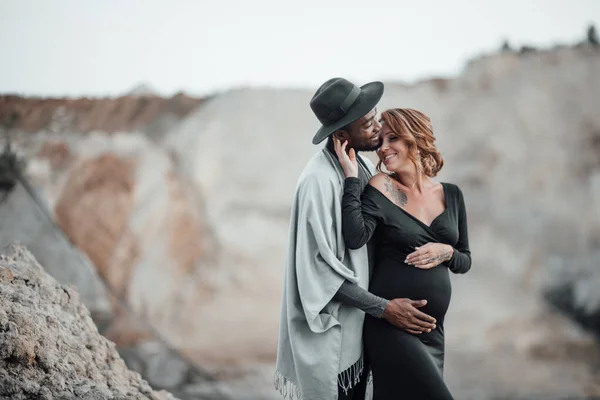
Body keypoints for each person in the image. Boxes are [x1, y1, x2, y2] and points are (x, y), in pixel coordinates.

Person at [274, 78, 437, 400]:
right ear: (341, 135)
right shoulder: (318, 182)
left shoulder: (357, 164)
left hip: (365, 326)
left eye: (375, 117)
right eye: (368, 125)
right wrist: (384, 308)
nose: (378, 128)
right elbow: (318, 275)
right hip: (335, 336)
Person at [333, 108, 472, 399]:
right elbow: (355, 237)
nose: (383, 149)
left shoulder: (452, 195)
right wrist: (351, 177)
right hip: (391, 324)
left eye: (392, 138)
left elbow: (464, 260)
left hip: (432, 333)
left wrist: (446, 251)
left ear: (415, 138)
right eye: (380, 140)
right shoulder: (381, 187)